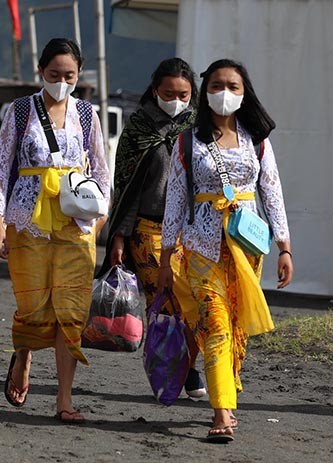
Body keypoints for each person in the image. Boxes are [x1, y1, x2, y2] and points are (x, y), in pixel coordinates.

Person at [159, 59, 293, 442]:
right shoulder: (188, 140)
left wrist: (285, 247)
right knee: (215, 323)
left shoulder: (257, 140)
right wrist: (168, 256)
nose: (225, 93)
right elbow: (174, 202)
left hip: (247, 248)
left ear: (244, 91)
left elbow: (272, 192)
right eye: (217, 85)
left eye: (233, 86)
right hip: (200, 247)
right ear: (206, 91)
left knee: (236, 327)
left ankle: (226, 394)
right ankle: (221, 411)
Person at [0, 38, 109, 423]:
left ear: (79, 75)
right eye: (54, 74)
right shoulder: (21, 110)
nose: (62, 81)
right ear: (41, 71)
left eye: (69, 75)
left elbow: (103, 173)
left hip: (76, 224)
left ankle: (64, 398)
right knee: (33, 305)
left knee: (70, 312)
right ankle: (22, 356)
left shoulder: (88, 114)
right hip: (27, 220)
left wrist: (98, 223)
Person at [102, 57, 206, 398]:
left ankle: (185, 363)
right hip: (149, 230)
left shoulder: (201, 128)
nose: (176, 100)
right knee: (166, 303)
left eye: (184, 94)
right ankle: (175, 371)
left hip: (192, 231)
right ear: (155, 89)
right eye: (168, 93)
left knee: (198, 301)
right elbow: (126, 187)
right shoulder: (138, 130)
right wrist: (119, 236)